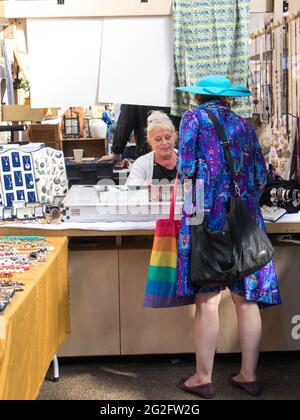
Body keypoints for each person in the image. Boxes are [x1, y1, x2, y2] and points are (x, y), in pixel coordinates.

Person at [176, 75, 281, 399]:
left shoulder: (193, 119)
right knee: (246, 300)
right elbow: (261, 176)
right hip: (245, 221)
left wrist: (195, 212)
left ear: (197, 98)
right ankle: (249, 375)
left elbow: (185, 170)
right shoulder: (244, 126)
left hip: (207, 218)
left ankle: (203, 378)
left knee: (207, 301)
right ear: (228, 100)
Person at [100, 104, 181, 162]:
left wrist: (116, 151)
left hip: (147, 151)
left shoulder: (136, 88)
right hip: (176, 153)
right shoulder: (177, 83)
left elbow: (125, 121)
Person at [126, 111, 177, 186]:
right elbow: (130, 191)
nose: (164, 143)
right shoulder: (141, 164)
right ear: (150, 142)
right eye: (158, 139)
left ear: (174, 137)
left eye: (168, 137)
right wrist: (142, 190)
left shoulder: (187, 160)